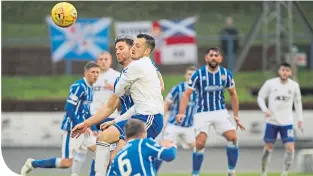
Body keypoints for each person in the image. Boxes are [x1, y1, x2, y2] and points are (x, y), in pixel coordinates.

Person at [71, 34, 164, 176]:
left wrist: (156, 74)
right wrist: (86, 124)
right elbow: (110, 106)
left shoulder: (141, 65)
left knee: (118, 159)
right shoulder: (122, 76)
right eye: (116, 49)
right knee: (104, 150)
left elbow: (160, 84)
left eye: (122, 48)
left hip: (145, 119)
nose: (118, 52)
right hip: (128, 121)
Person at [20, 61, 100, 176]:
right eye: (93, 72)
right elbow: (69, 108)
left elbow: (86, 111)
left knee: (101, 150)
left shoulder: (91, 88)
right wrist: (80, 125)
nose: (96, 74)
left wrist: (93, 127)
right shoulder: (79, 87)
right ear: (85, 73)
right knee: (66, 163)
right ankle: (33, 163)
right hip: (72, 129)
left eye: (98, 72)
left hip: (83, 128)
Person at [176, 47, 245, 176]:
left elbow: (233, 95)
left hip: (220, 112)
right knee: (200, 143)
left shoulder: (226, 74)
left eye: (216, 55)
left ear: (220, 59)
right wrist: (181, 112)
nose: (213, 57)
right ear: (206, 58)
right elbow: (186, 94)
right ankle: (195, 173)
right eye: (211, 55)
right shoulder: (198, 74)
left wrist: (236, 116)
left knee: (234, 138)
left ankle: (231, 171)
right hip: (202, 113)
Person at [257, 62, 303, 176]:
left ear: (290, 72)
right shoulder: (270, 83)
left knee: (290, 148)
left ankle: (284, 173)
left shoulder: (294, 86)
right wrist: (265, 109)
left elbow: (298, 103)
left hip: (287, 122)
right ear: (279, 71)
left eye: (287, 70)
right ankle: (264, 172)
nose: (285, 72)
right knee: (268, 148)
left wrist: (300, 119)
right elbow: (260, 97)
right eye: (283, 70)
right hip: (272, 121)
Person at [155, 66, 198, 171]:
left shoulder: (199, 91)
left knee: (198, 147)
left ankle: (195, 172)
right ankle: (154, 171)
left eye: (193, 75)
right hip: (173, 125)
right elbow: (167, 103)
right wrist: (161, 119)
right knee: (164, 148)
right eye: (189, 74)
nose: (191, 77)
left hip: (189, 127)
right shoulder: (178, 88)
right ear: (185, 76)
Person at [107, 119, 177, 176]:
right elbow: (170, 155)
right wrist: (172, 145)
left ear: (126, 136)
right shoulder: (143, 143)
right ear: (143, 133)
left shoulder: (117, 157)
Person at [89, 52, 120, 176]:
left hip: (110, 118)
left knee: (105, 153)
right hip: (93, 118)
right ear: (97, 61)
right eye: (100, 59)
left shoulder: (116, 76)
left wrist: (114, 88)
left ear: (111, 61)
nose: (103, 61)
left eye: (106, 59)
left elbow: (123, 97)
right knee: (100, 152)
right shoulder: (92, 77)